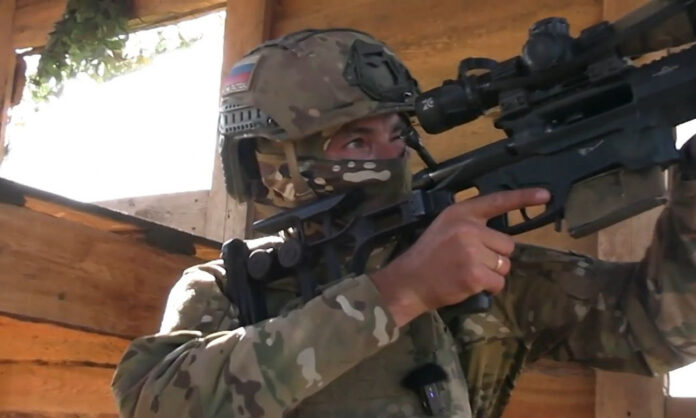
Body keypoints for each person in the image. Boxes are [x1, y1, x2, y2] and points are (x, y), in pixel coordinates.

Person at [111, 29, 696, 418]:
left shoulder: (466, 266)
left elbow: (658, 329)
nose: (390, 158)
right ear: (272, 166)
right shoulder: (230, 287)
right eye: (355, 142)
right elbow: (153, 401)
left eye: (396, 134)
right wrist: (401, 290)